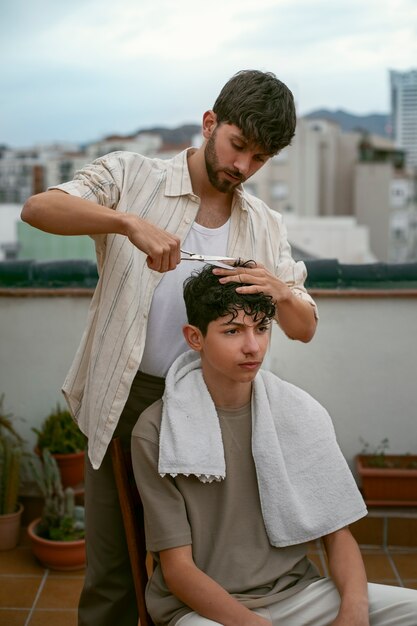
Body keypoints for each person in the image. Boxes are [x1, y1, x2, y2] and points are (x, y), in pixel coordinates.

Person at [21, 70, 318, 626]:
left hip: (219, 412)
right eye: (238, 147)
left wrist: (280, 290)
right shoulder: (132, 176)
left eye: (260, 159)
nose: (244, 168)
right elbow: (38, 209)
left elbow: (303, 327)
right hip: (126, 402)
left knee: (205, 570)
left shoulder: (264, 226)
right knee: (114, 573)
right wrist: (127, 223)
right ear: (209, 124)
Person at [131, 264, 417, 626]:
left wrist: (354, 613)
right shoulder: (157, 430)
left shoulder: (299, 414)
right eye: (232, 331)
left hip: (298, 595)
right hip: (205, 611)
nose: (252, 346)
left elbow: (338, 536)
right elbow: (178, 571)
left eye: (262, 328)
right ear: (195, 337)